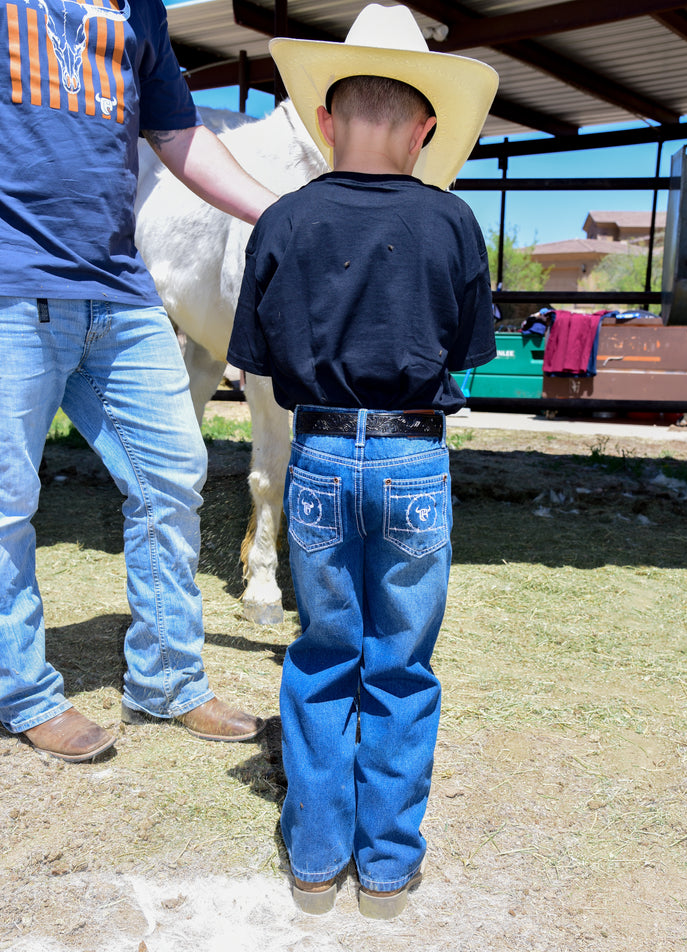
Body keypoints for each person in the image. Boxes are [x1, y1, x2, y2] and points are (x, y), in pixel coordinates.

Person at [227, 3, 499, 919]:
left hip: (317, 459)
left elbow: (253, 358)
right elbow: (467, 351)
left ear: (325, 120)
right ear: (425, 131)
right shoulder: (453, 223)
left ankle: (313, 858)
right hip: (414, 459)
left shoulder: (283, 221)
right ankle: (386, 869)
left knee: (321, 653)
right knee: (402, 662)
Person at [0, 0, 277, 763]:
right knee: (5, 503)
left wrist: (281, 211)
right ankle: (21, 692)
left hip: (121, 289)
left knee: (172, 477)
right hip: (10, 286)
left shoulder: (139, 9)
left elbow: (181, 134)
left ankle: (167, 681)